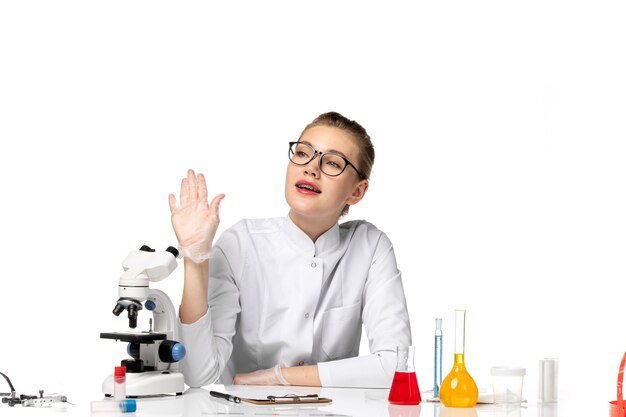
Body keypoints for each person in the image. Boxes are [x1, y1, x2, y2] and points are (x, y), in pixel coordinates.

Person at [169, 111, 411, 388]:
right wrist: (196, 258)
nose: (311, 168)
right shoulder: (241, 244)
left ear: (356, 191)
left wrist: (280, 377)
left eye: (332, 162)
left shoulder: (370, 247)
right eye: (303, 153)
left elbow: (397, 366)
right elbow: (199, 374)